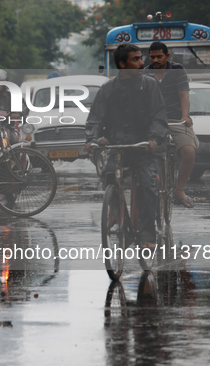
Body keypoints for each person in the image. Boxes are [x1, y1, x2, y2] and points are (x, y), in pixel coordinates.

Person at [85, 43, 168, 248]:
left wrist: (154, 139)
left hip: (145, 148)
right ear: (122, 64)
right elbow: (95, 118)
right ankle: (116, 210)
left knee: (147, 185)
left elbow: (159, 116)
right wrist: (92, 139)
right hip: (119, 147)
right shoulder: (108, 89)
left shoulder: (149, 86)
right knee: (108, 173)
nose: (142, 63)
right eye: (136, 59)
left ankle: (148, 236)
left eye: (141, 58)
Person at [144, 41, 199, 208]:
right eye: (152, 57)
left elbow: (184, 97)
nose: (155, 60)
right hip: (153, 122)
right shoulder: (144, 73)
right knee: (144, 151)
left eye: (159, 56)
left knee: (189, 151)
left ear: (167, 56)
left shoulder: (177, 70)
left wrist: (185, 116)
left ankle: (179, 189)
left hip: (176, 120)